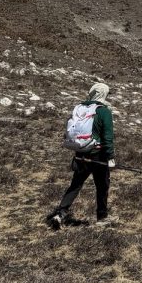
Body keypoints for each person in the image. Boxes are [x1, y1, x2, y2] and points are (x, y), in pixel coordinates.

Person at [49, 82, 115, 228]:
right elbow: (108, 137)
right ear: (104, 94)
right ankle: (102, 217)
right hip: (98, 155)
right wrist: (110, 157)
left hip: (80, 152)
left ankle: (60, 213)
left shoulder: (79, 108)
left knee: (76, 184)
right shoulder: (104, 111)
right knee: (102, 186)